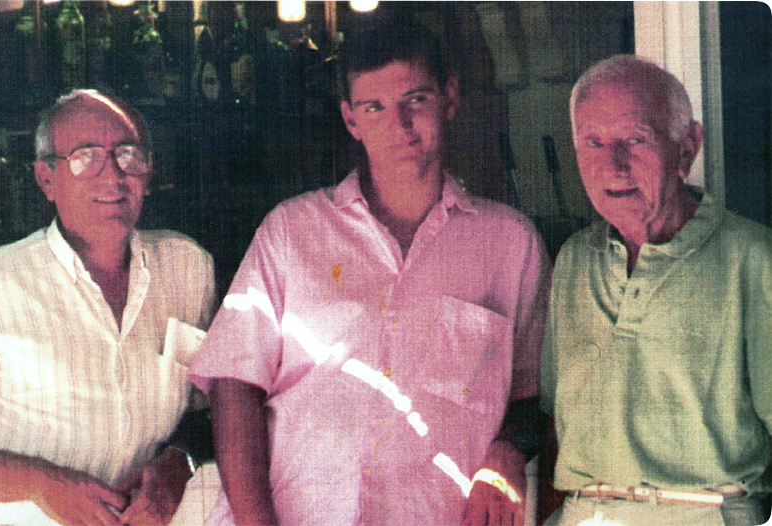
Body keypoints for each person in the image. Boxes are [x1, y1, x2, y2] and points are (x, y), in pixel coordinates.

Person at [189, 20, 551, 526]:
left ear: (450, 98)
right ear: (350, 119)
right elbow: (234, 385)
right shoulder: (291, 231)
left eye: (415, 99)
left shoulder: (512, 245)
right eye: (373, 107)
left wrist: (510, 450)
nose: (399, 125)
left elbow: (536, 401)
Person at [0, 89, 217, 526]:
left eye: (128, 155)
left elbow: (213, 411)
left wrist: (182, 459)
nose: (113, 176)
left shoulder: (188, 269)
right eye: (86, 157)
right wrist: (40, 484)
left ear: (148, 172)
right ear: (46, 178)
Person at [540, 55, 772, 526]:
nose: (613, 166)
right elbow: (552, 425)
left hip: (705, 513)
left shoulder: (751, 258)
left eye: (635, 140)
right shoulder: (573, 260)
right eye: (594, 143)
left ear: (686, 150)